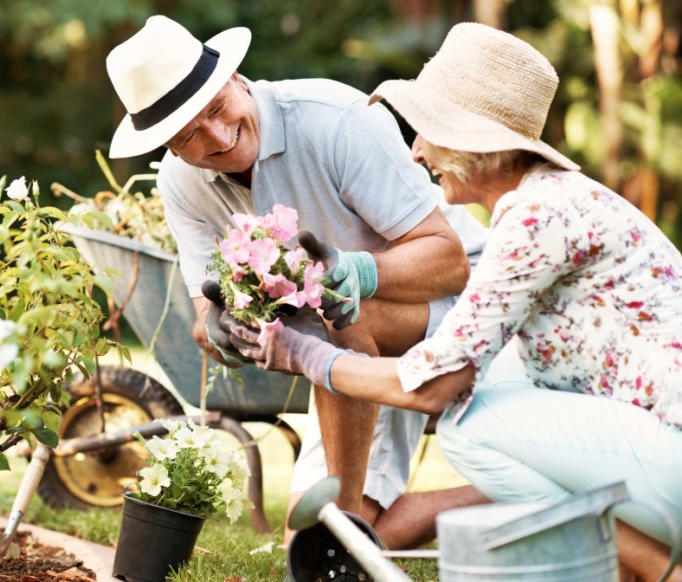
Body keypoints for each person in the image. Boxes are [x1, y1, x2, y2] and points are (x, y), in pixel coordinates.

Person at [230, 22, 682, 581]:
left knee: (468, 426)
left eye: (426, 132)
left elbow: (438, 384)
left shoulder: (539, 216)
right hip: (658, 446)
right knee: (500, 382)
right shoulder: (544, 203)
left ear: (473, 139)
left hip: (671, 455)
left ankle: (658, 567)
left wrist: (307, 357)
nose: (417, 154)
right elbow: (463, 352)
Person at [104, 14, 490, 548]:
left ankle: (342, 530)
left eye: (217, 108)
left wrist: (356, 271)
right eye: (190, 135)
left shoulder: (336, 120)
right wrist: (220, 329)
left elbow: (451, 262)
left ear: (235, 79)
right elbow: (202, 315)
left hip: (465, 310)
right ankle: (509, 501)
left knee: (339, 310)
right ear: (168, 147)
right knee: (299, 542)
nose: (217, 136)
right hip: (349, 353)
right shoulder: (182, 184)